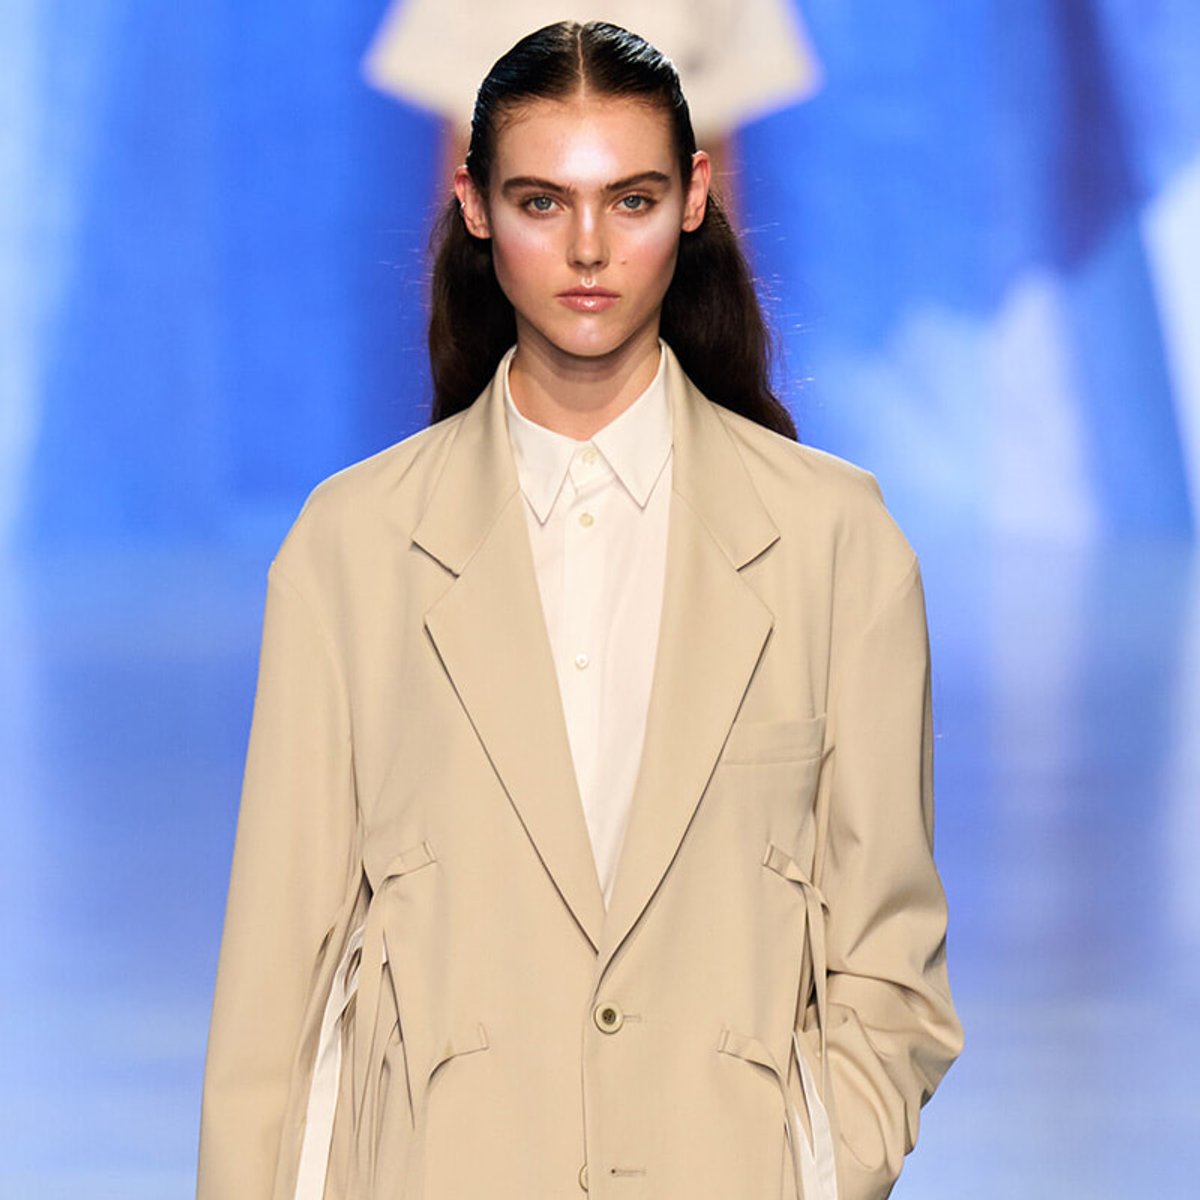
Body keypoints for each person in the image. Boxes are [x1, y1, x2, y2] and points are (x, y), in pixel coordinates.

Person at [197, 20, 962, 1200]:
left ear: (697, 196)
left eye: (634, 198)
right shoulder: (351, 551)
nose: (592, 249)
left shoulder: (835, 545)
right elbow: (272, 998)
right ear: (475, 204)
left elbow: (892, 957)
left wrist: (819, 1162)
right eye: (545, 202)